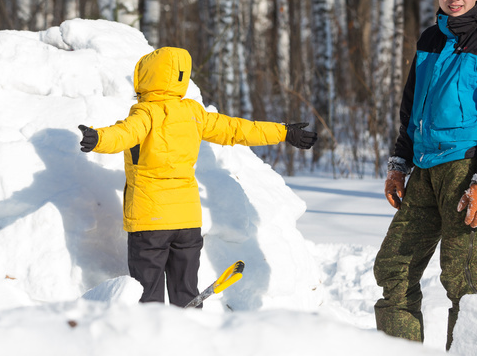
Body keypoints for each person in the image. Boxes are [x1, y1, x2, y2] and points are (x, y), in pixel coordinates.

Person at [78, 46, 317, 307]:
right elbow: (237, 129)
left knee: (148, 298)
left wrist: (98, 138)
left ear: (146, 76)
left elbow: (122, 134)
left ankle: (152, 341)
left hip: (150, 222)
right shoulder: (193, 113)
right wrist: (283, 132)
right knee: (186, 294)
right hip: (188, 223)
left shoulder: (146, 113)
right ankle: (190, 335)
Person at [373, 0, 477, 349]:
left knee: (464, 279)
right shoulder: (429, 39)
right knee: (394, 268)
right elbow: (412, 108)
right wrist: (400, 163)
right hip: (423, 170)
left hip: (464, 169)